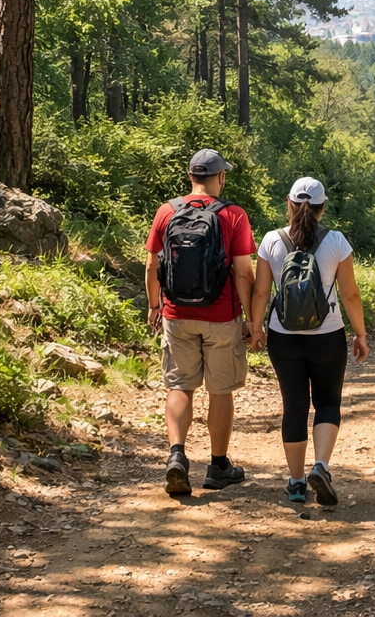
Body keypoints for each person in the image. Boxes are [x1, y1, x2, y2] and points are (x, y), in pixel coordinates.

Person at [250, 177, 370, 506]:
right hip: (327, 335)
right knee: (328, 402)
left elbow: (261, 291)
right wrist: (359, 334)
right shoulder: (336, 242)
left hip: (283, 337)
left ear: (288, 204)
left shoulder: (272, 241)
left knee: (295, 406)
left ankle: (297, 483)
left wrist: (256, 328)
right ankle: (320, 465)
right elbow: (350, 294)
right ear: (322, 208)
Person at [144, 149, 256, 496]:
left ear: (190, 176)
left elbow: (151, 266)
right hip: (222, 316)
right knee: (220, 389)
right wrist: (251, 317)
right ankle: (218, 465)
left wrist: (153, 305)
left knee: (180, 385)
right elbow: (243, 271)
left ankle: (177, 455)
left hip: (177, 315)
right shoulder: (233, 215)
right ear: (220, 177)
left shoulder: (167, 211)